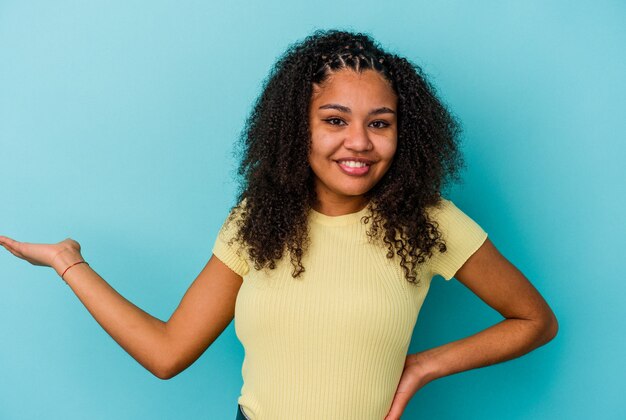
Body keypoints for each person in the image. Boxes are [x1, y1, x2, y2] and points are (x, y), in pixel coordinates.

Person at [0, 30, 558, 420]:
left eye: (379, 124)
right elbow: (167, 353)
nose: (359, 142)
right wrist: (66, 262)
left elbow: (534, 319)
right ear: (298, 128)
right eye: (335, 120)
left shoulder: (427, 221)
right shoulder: (256, 221)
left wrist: (422, 366)